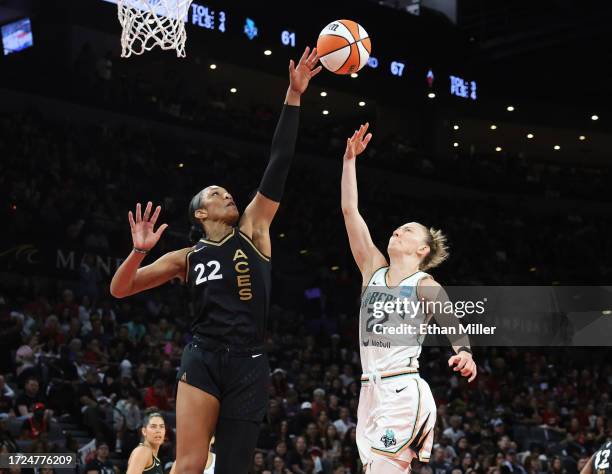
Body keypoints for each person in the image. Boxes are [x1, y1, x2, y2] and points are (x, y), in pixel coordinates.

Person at [110, 47, 321, 474]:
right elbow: (120, 289)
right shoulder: (185, 256)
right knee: (187, 464)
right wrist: (137, 252)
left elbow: (278, 163)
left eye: (227, 191)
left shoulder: (254, 230)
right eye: (214, 194)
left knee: (232, 468)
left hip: (249, 361)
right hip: (202, 355)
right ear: (200, 213)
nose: (226, 194)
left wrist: (294, 96)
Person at [339, 124, 478, 473]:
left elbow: (451, 320)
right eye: (398, 227)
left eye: (409, 230)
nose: (398, 230)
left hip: (402, 388)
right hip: (369, 391)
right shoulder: (372, 269)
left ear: (422, 249)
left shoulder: (423, 283)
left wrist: (464, 353)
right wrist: (349, 161)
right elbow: (350, 213)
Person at [126, 409, 165, 474]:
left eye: (161, 426)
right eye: (153, 426)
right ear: (144, 431)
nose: (158, 430)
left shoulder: (154, 458)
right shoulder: (143, 450)